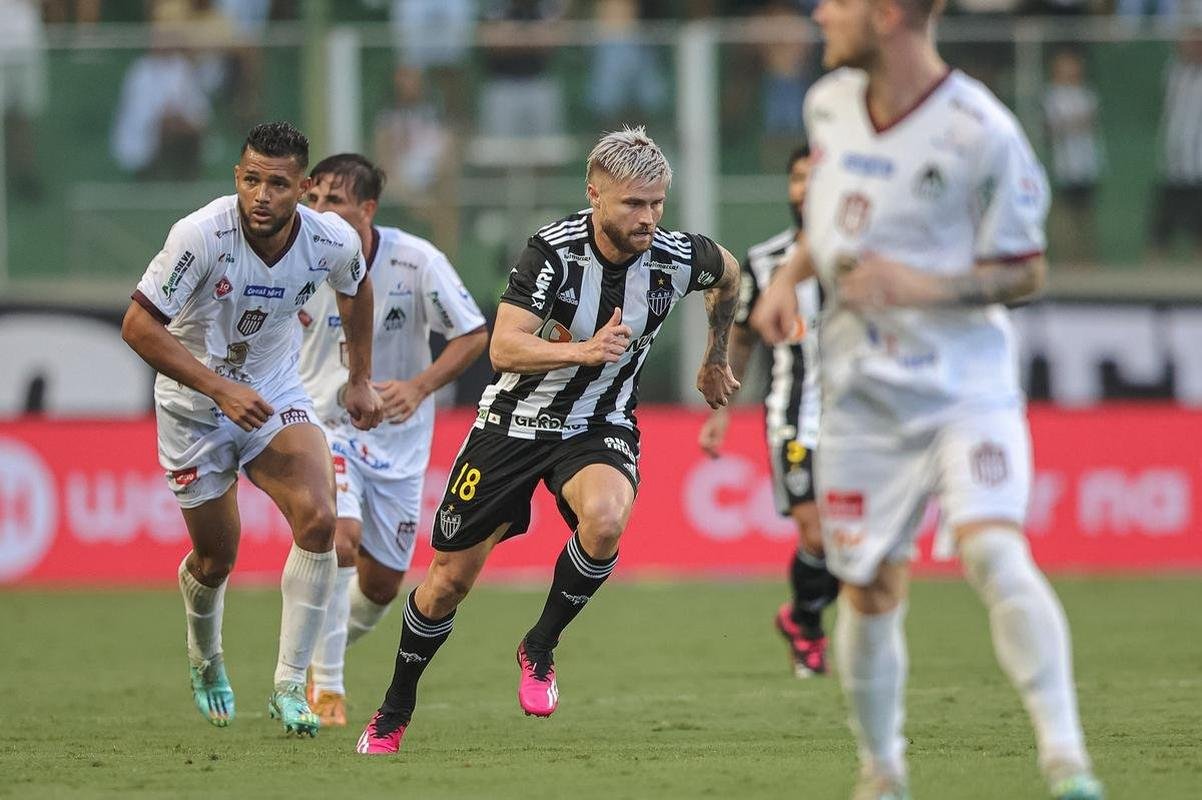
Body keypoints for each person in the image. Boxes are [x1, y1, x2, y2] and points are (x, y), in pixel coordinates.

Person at [749, 1, 1103, 798]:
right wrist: (788, 275)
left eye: (838, 1)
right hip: (862, 399)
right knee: (869, 587)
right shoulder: (828, 101)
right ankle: (882, 773)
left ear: (888, 14)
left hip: (963, 388)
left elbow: (1026, 270)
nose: (819, 12)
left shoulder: (983, 130)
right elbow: (829, 217)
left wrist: (924, 285)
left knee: (990, 547)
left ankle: (1067, 761)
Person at [355, 126, 742, 754]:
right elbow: (502, 346)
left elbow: (731, 276)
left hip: (598, 423)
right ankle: (395, 707)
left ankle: (539, 645)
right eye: (632, 204)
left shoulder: (675, 256)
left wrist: (713, 356)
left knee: (608, 521)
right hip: (511, 426)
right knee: (449, 581)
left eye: (657, 204)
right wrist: (584, 349)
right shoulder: (554, 253)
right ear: (594, 193)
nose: (648, 219)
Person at [121, 122, 383, 737]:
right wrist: (218, 389)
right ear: (237, 177)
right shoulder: (200, 235)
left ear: (304, 186)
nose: (261, 194)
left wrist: (361, 377)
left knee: (320, 519)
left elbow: (358, 290)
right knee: (217, 558)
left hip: (273, 392)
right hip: (193, 407)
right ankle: (206, 658)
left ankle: (291, 687)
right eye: (250, 179)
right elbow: (138, 326)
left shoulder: (330, 239)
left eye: (278, 183)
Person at [296, 153, 488, 727]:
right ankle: (327, 689)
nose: (319, 211)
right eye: (313, 199)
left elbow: (473, 334)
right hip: (322, 423)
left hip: (400, 439)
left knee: (381, 586)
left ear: (367, 209)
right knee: (341, 538)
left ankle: (309, 657)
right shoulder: (293, 257)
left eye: (334, 200)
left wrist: (419, 386)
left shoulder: (415, 260)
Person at [698, 144, 838, 679]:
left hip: (858, 416)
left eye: (815, 177)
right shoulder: (764, 261)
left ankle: (802, 616)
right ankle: (810, 626)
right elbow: (744, 341)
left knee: (858, 544)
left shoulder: (862, 255)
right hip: (793, 413)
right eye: (797, 177)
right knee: (819, 534)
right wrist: (720, 411)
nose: (805, 188)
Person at [1042, 49, 1102, 266]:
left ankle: (1086, 258)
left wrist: (1069, 123)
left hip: (1086, 164)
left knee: (1085, 213)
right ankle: (1066, 259)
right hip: (1064, 166)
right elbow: (1053, 126)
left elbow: (1088, 121)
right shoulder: (1052, 95)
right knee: (1064, 213)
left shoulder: (1087, 94)